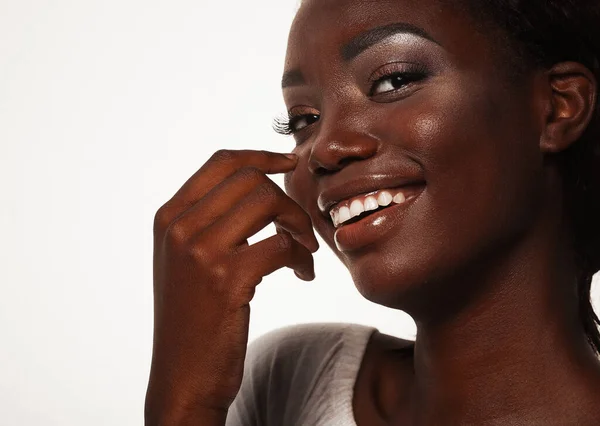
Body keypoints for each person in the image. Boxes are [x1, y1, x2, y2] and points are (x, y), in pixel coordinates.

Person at [144, 0, 600, 424]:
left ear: (558, 108)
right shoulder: (287, 380)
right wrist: (184, 400)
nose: (324, 149)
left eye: (393, 81)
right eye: (303, 120)